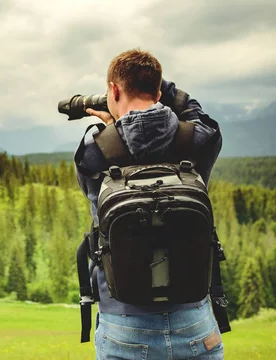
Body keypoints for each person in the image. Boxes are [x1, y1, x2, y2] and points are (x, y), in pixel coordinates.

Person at [74, 49, 225, 359]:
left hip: (123, 325)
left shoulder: (93, 150)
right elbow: (197, 113)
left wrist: (111, 128)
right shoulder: (198, 139)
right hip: (194, 320)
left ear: (113, 90)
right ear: (158, 90)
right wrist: (162, 86)